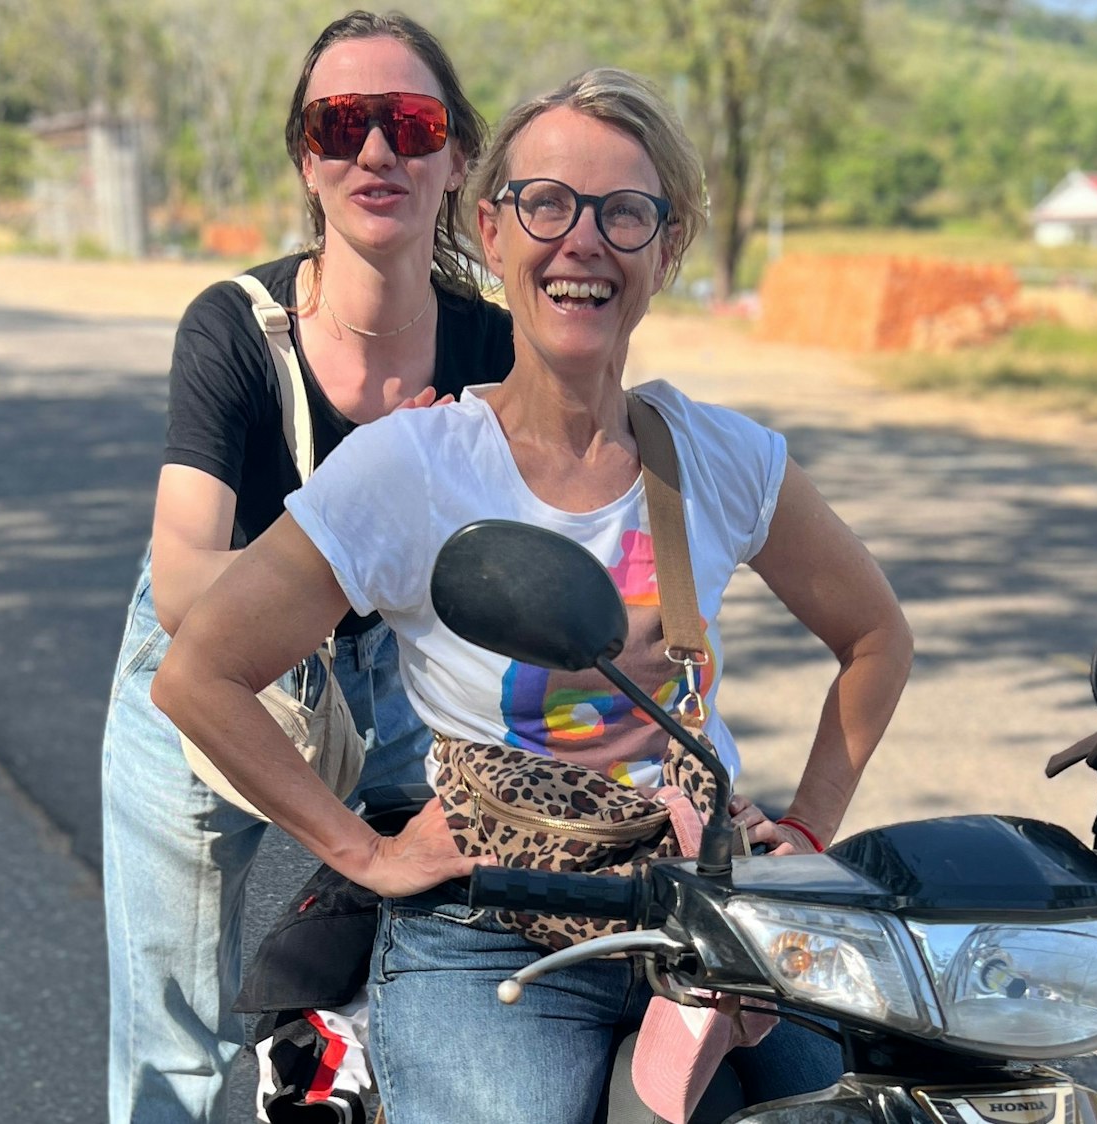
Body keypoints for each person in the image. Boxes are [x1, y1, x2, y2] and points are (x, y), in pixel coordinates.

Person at [153, 68, 913, 1124]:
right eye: (546, 202)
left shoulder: (722, 457)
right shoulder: (410, 467)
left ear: (668, 244)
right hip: (486, 931)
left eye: (625, 212)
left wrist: (812, 827)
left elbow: (875, 634)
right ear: (491, 226)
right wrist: (364, 852)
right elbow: (198, 674)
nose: (582, 241)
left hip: (703, 909)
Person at [98, 12, 512, 1122]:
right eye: (341, 124)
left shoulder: (495, 351)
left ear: (458, 157)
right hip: (214, 669)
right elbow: (188, 586)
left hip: (407, 670)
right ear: (306, 161)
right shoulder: (233, 328)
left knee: (442, 958)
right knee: (172, 1035)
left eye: (412, 123)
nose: (376, 151)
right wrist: (375, 487)